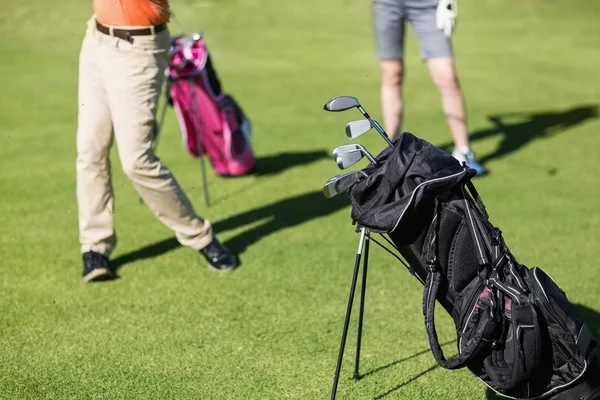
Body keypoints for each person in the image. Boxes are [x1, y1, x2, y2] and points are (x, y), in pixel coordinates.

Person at [76, 0, 237, 282]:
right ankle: (94, 248)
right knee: (90, 150)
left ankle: (201, 237)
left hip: (137, 50)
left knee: (137, 161)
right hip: (96, 41)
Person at [371, 0, 485, 175]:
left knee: (447, 76)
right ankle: (391, 153)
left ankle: (464, 152)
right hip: (387, 4)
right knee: (392, 73)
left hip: (428, 5)